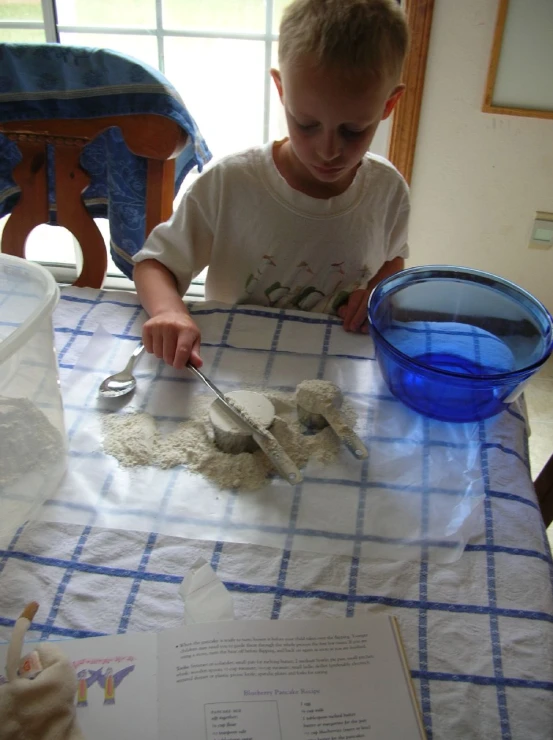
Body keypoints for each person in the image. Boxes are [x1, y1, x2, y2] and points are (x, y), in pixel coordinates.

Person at [133, 0, 410, 369]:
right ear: (282, 89)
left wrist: (378, 291)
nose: (328, 151)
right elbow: (154, 265)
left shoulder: (387, 191)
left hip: (331, 372)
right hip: (231, 369)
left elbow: (393, 259)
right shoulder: (230, 183)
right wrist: (170, 311)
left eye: (353, 130)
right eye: (306, 124)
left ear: (388, 104)